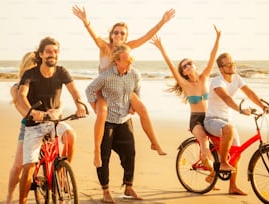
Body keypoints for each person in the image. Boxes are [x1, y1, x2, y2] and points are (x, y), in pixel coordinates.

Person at [72, 5, 175, 167]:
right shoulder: (104, 47)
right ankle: (97, 151)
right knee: (102, 113)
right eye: (116, 32)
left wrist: (162, 22)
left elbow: (146, 36)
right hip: (104, 89)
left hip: (122, 88)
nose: (119, 35)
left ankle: (154, 142)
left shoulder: (128, 48)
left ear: (126, 37)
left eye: (122, 33)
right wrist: (86, 21)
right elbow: (94, 35)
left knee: (142, 109)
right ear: (111, 35)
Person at [17, 36, 87, 204]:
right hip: (34, 125)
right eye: (48, 51)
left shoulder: (62, 72)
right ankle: (22, 201)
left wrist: (80, 105)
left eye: (55, 52)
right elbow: (21, 95)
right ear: (41, 54)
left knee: (70, 134)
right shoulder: (30, 74)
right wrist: (31, 112)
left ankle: (62, 173)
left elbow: (74, 91)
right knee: (29, 166)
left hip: (54, 122)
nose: (52, 55)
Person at [150, 25, 221, 172]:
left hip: (209, 116)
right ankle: (215, 172)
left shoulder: (204, 77)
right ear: (183, 72)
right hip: (196, 120)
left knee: (220, 143)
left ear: (194, 66)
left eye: (189, 63)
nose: (187, 66)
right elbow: (170, 65)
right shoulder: (185, 84)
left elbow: (212, 58)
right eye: (184, 66)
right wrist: (161, 48)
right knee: (204, 141)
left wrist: (218, 38)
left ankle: (211, 170)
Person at [203, 52, 269, 195]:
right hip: (211, 120)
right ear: (221, 68)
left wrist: (263, 106)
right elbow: (226, 98)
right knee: (229, 129)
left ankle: (232, 186)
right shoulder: (217, 81)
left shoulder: (237, 78)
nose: (232, 66)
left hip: (226, 120)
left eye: (233, 63)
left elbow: (250, 93)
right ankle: (222, 163)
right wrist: (240, 110)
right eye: (228, 64)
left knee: (237, 153)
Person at [86, 44, 142, 203]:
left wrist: (133, 105)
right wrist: (96, 108)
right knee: (104, 156)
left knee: (130, 153)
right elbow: (89, 90)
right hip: (107, 122)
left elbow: (137, 90)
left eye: (131, 59)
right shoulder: (106, 76)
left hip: (124, 120)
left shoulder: (134, 74)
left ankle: (129, 187)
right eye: (126, 60)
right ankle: (105, 191)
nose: (130, 62)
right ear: (117, 61)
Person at [5, 52, 37, 204]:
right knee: (18, 165)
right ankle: (10, 195)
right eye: (32, 64)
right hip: (28, 126)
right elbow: (22, 110)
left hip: (48, 124)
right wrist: (35, 115)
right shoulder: (16, 88)